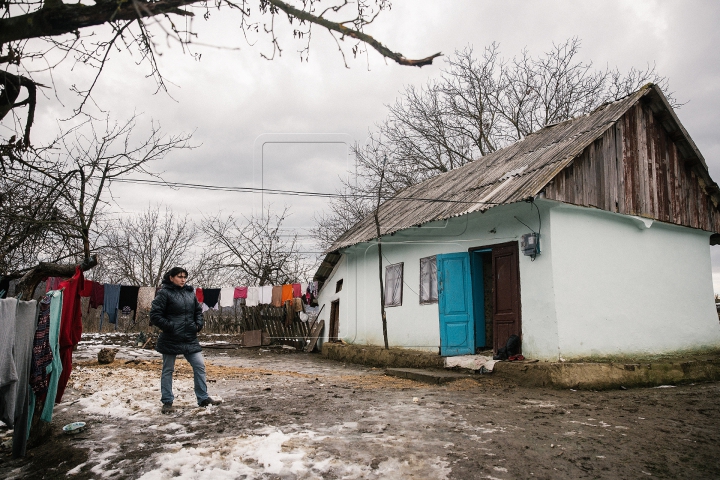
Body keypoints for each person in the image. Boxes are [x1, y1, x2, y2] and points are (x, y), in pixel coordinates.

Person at [150, 267, 222, 414]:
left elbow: (198, 311)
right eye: (179, 276)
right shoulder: (164, 293)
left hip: (189, 337)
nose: (183, 279)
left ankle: (203, 398)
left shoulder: (190, 292)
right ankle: (167, 401)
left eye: (185, 276)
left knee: (199, 366)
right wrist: (170, 327)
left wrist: (198, 324)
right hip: (171, 337)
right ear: (171, 278)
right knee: (168, 370)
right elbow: (155, 315)